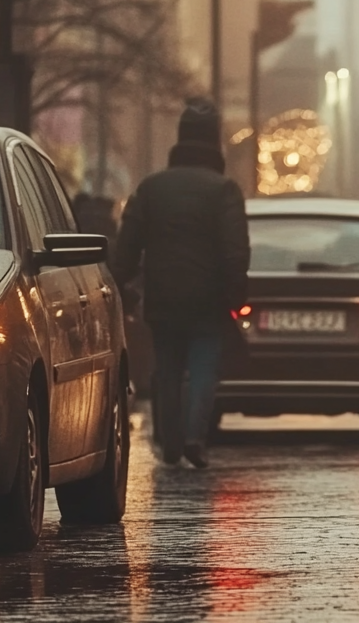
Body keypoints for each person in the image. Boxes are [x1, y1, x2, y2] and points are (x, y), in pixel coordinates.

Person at [115, 99, 250, 469]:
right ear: (214, 142)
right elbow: (236, 251)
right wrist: (236, 297)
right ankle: (195, 437)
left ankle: (171, 442)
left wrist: (118, 285)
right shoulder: (225, 190)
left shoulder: (152, 188)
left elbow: (128, 245)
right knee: (204, 368)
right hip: (208, 298)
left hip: (162, 296)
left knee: (168, 368)